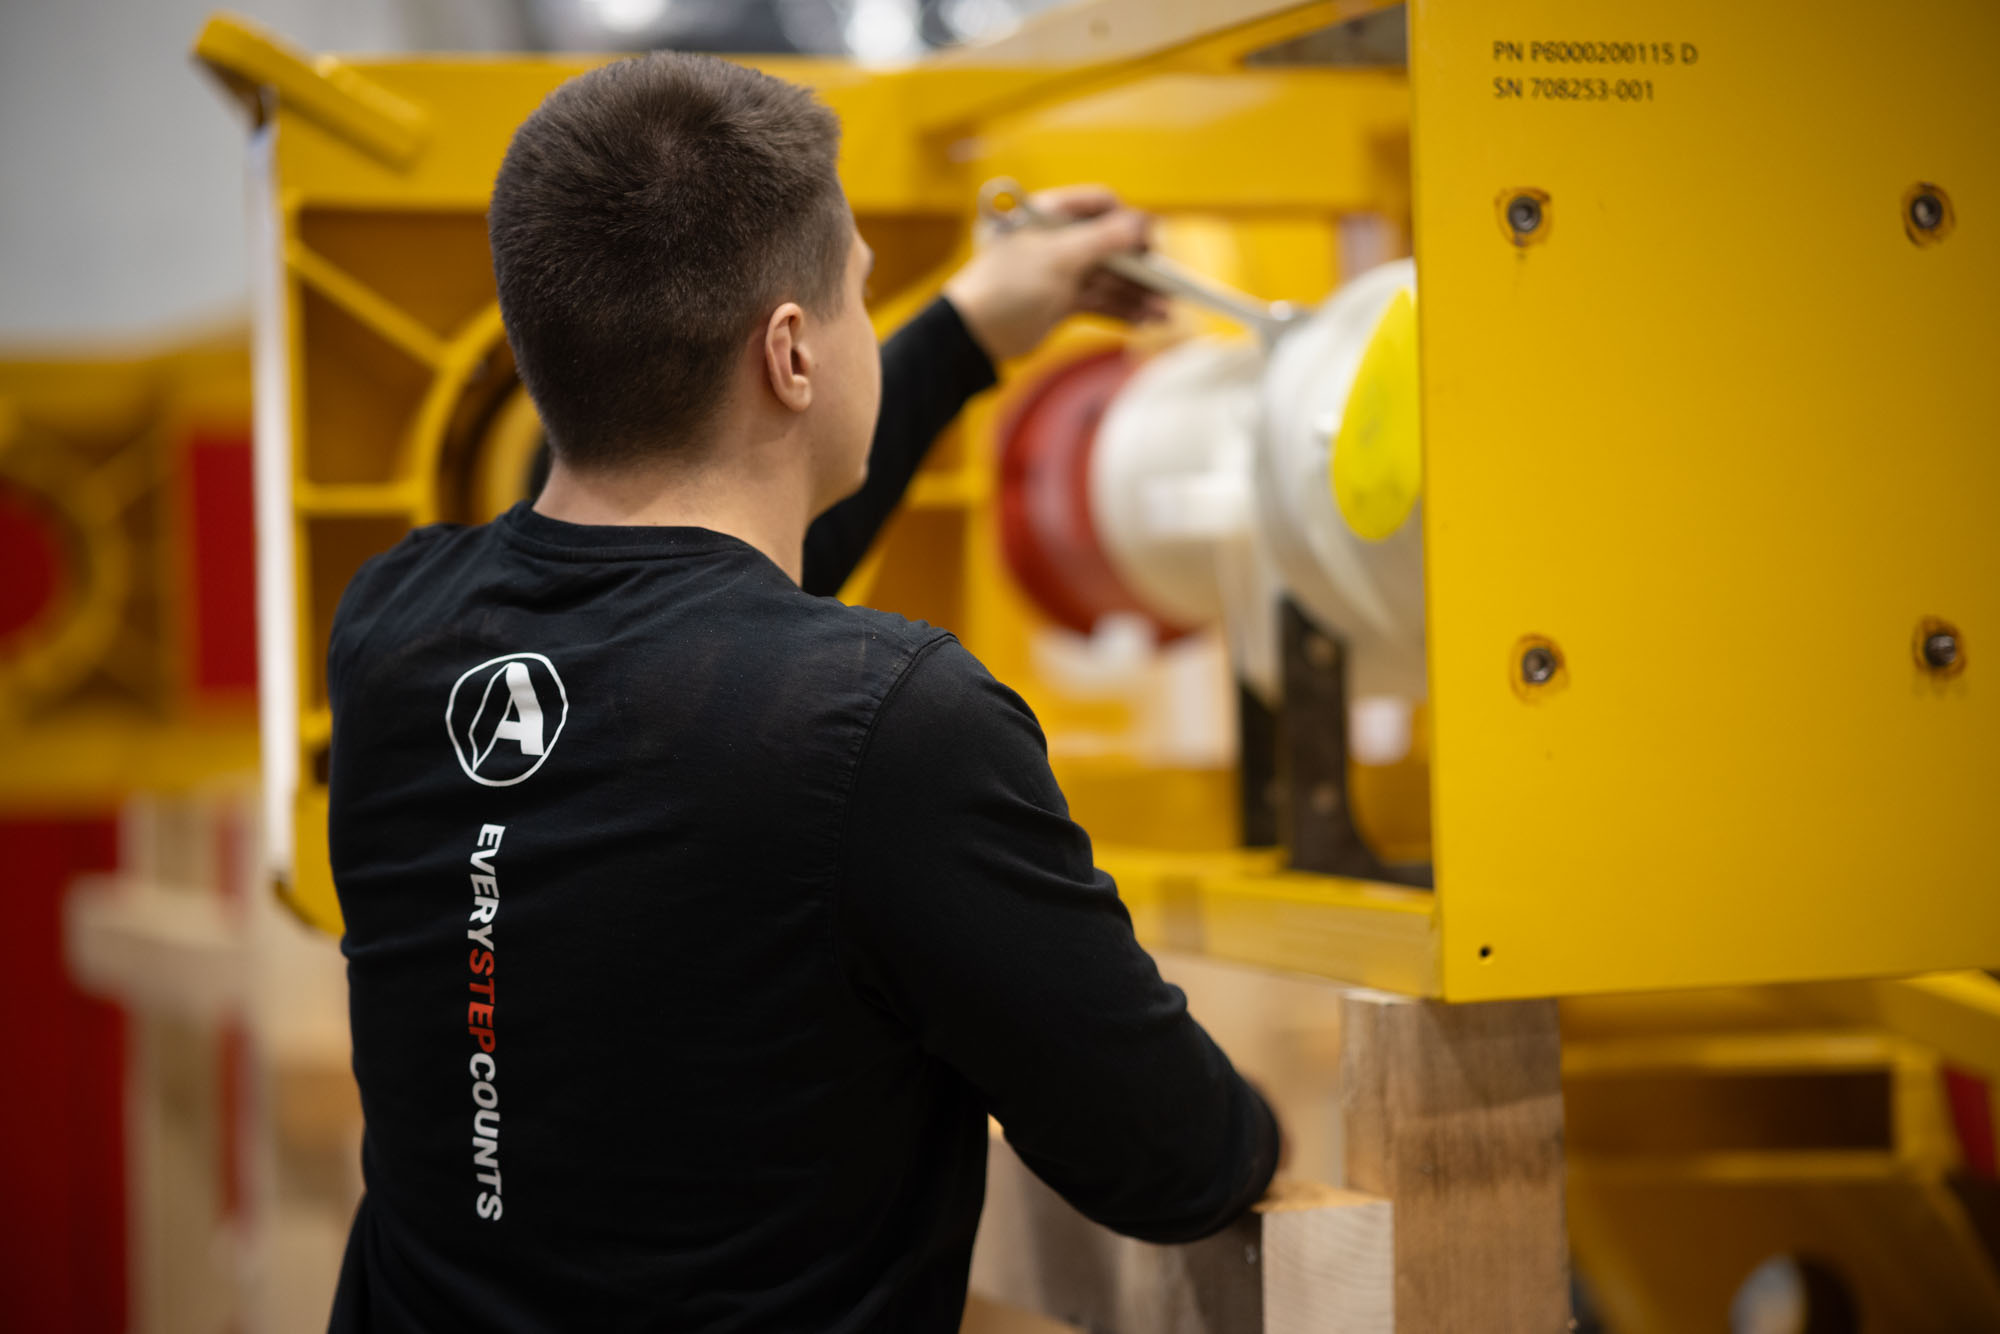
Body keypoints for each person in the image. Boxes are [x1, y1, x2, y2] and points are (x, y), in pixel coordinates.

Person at [325, 51, 1278, 1334]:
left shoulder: (392, 631)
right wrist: (1266, 1129)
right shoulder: (896, 726)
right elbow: (1172, 1159)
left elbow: (690, 630)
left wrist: (965, 331)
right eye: (859, 300)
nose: (866, 329)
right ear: (789, 352)